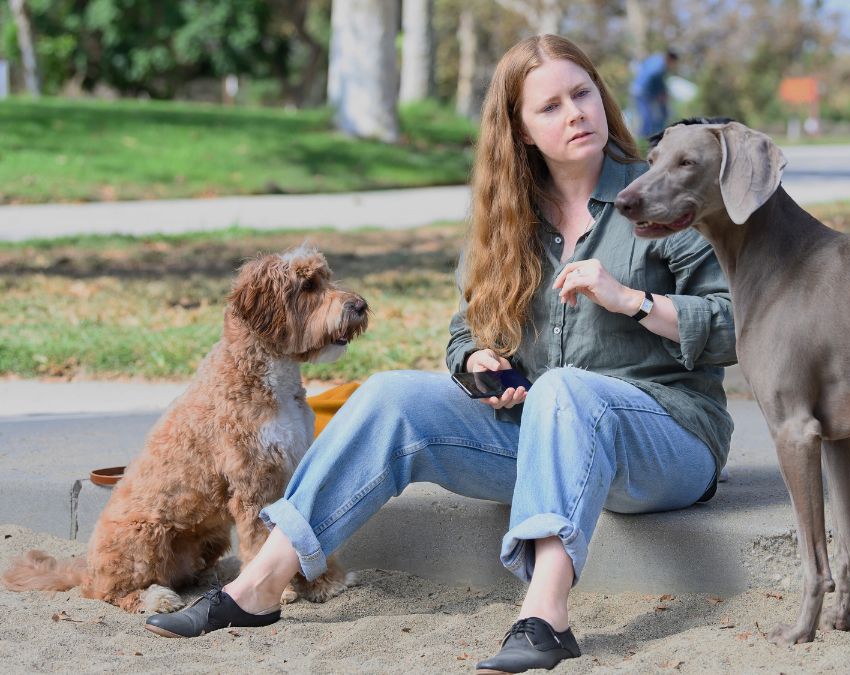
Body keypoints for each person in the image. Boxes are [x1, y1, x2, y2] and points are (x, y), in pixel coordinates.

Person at [145, 34, 735, 674]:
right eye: (550, 106)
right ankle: (256, 588)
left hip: (668, 439)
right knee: (392, 393)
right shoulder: (508, 222)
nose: (575, 113)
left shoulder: (667, 194)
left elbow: (737, 325)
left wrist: (631, 300)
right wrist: (477, 364)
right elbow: (465, 332)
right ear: (520, 131)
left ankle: (545, 615)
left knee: (567, 389)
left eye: (583, 93)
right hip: (545, 437)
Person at [630, 49, 678, 139]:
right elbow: (654, 79)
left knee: (649, 116)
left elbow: (643, 67)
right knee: (647, 117)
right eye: (674, 63)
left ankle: (648, 135)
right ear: (670, 59)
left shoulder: (656, 58)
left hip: (638, 88)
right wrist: (660, 94)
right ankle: (645, 138)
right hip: (642, 91)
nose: (673, 66)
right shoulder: (660, 68)